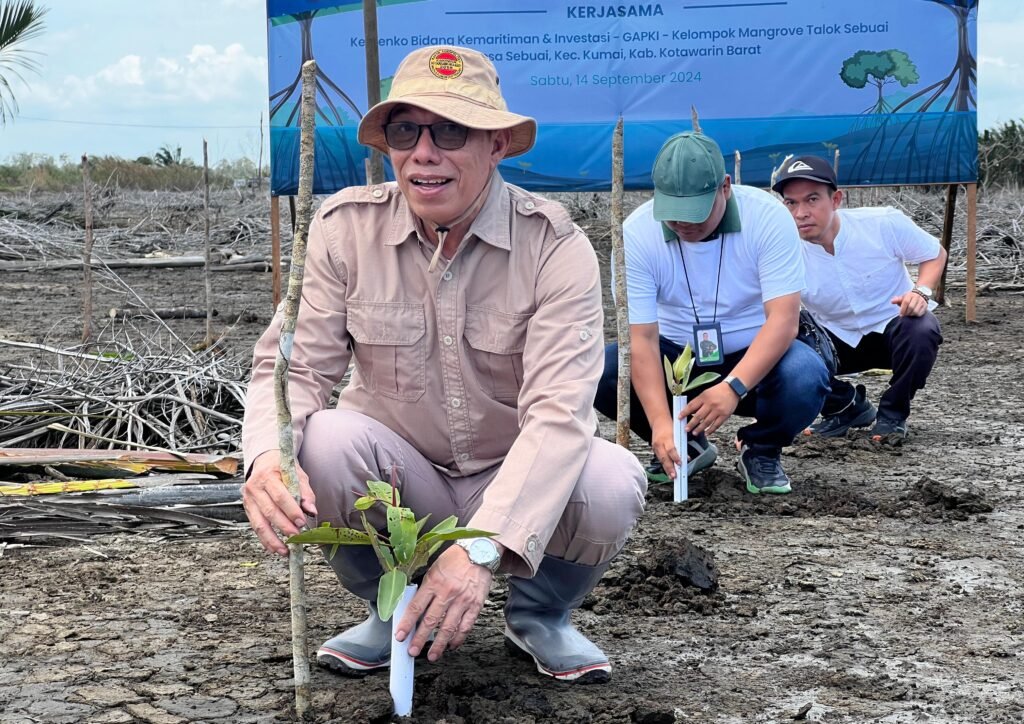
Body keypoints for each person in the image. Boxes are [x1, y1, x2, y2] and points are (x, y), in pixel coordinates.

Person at [240, 46, 646, 685]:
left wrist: (481, 545)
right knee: (316, 440)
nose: (424, 153)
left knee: (610, 480)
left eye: (451, 130)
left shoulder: (555, 247)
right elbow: (293, 372)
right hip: (405, 477)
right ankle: (391, 605)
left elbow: (560, 416)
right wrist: (266, 457)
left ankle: (539, 614)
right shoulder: (345, 229)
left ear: (498, 145)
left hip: (509, 474)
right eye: (407, 130)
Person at [594, 132, 829, 495]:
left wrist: (733, 387)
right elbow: (641, 339)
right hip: (676, 359)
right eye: (673, 214)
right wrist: (659, 423)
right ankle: (685, 445)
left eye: (695, 214)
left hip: (755, 355)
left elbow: (783, 320)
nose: (684, 225)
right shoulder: (636, 235)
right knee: (605, 368)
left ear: (725, 188)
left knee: (805, 374)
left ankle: (761, 449)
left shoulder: (767, 218)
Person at [773, 155, 946, 440]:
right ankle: (846, 406)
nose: (800, 212)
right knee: (777, 337)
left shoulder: (882, 224)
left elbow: (935, 253)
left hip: (893, 330)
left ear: (836, 199)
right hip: (834, 340)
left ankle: (893, 414)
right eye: (791, 203)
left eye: (812, 199)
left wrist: (920, 292)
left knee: (922, 327)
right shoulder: (782, 251)